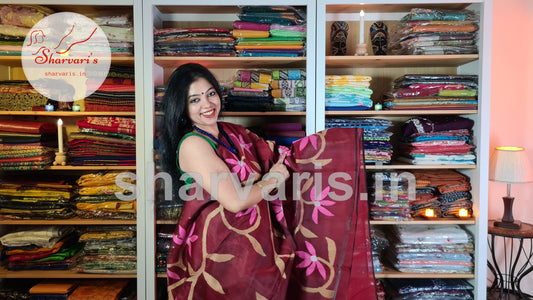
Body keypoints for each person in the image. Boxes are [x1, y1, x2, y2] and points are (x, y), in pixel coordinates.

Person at [160, 63, 376, 300]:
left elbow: (272, 156)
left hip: (252, 248)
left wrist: (328, 153)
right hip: (219, 254)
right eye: (194, 100)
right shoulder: (194, 144)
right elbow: (234, 201)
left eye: (210, 93)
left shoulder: (230, 133)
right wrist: (273, 178)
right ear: (180, 106)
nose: (207, 104)